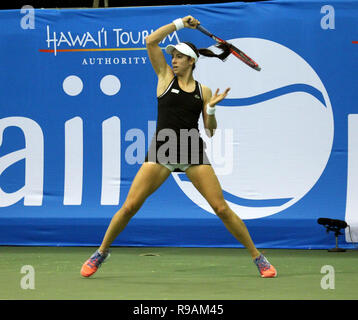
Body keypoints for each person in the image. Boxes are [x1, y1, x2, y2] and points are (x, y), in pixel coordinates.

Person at [80, 16, 277, 278]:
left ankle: (258, 257)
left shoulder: (203, 90)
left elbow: (210, 130)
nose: (173, 60)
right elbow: (151, 41)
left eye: (179, 57)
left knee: (221, 208)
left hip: (191, 149)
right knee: (129, 207)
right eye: (172, 56)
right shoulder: (164, 77)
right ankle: (101, 252)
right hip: (163, 148)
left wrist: (212, 109)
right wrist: (179, 24)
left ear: (192, 62)